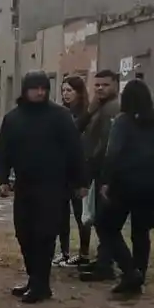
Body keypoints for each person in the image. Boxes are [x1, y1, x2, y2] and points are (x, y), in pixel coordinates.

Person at [0, 71, 85, 303]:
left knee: (44, 236)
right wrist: (2, 179)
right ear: (25, 90)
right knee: (24, 234)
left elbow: (75, 150)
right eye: (35, 88)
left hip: (53, 186)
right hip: (24, 185)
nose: (40, 92)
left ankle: (41, 285)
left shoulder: (60, 116)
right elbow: (3, 150)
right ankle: (34, 279)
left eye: (44, 88)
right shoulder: (14, 118)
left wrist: (80, 182)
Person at [95, 79, 154, 296]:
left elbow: (112, 153)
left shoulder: (123, 122)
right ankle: (138, 275)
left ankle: (130, 270)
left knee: (106, 226)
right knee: (141, 232)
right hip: (150, 182)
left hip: (124, 182)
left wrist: (105, 181)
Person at [78, 69, 122, 282]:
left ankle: (111, 265)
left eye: (105, 85)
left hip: (107, 173)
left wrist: (97, 170)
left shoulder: (115, 108)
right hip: (97, 171)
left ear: (115, 85)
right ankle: (104, 261)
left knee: (106, 221)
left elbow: (107, 145)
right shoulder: (98, 107)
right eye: (96, 85)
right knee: (99, 220)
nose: (100, 88)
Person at [57, 75, 93, 267]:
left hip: (80, 170)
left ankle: (84, 252)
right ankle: (63, 251)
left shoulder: (86, 114)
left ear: (79, 92)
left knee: (81, 214)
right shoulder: (61, 112)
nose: (65, 94)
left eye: (69, 90)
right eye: (63, 90)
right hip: (62, 170)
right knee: (61, 213)